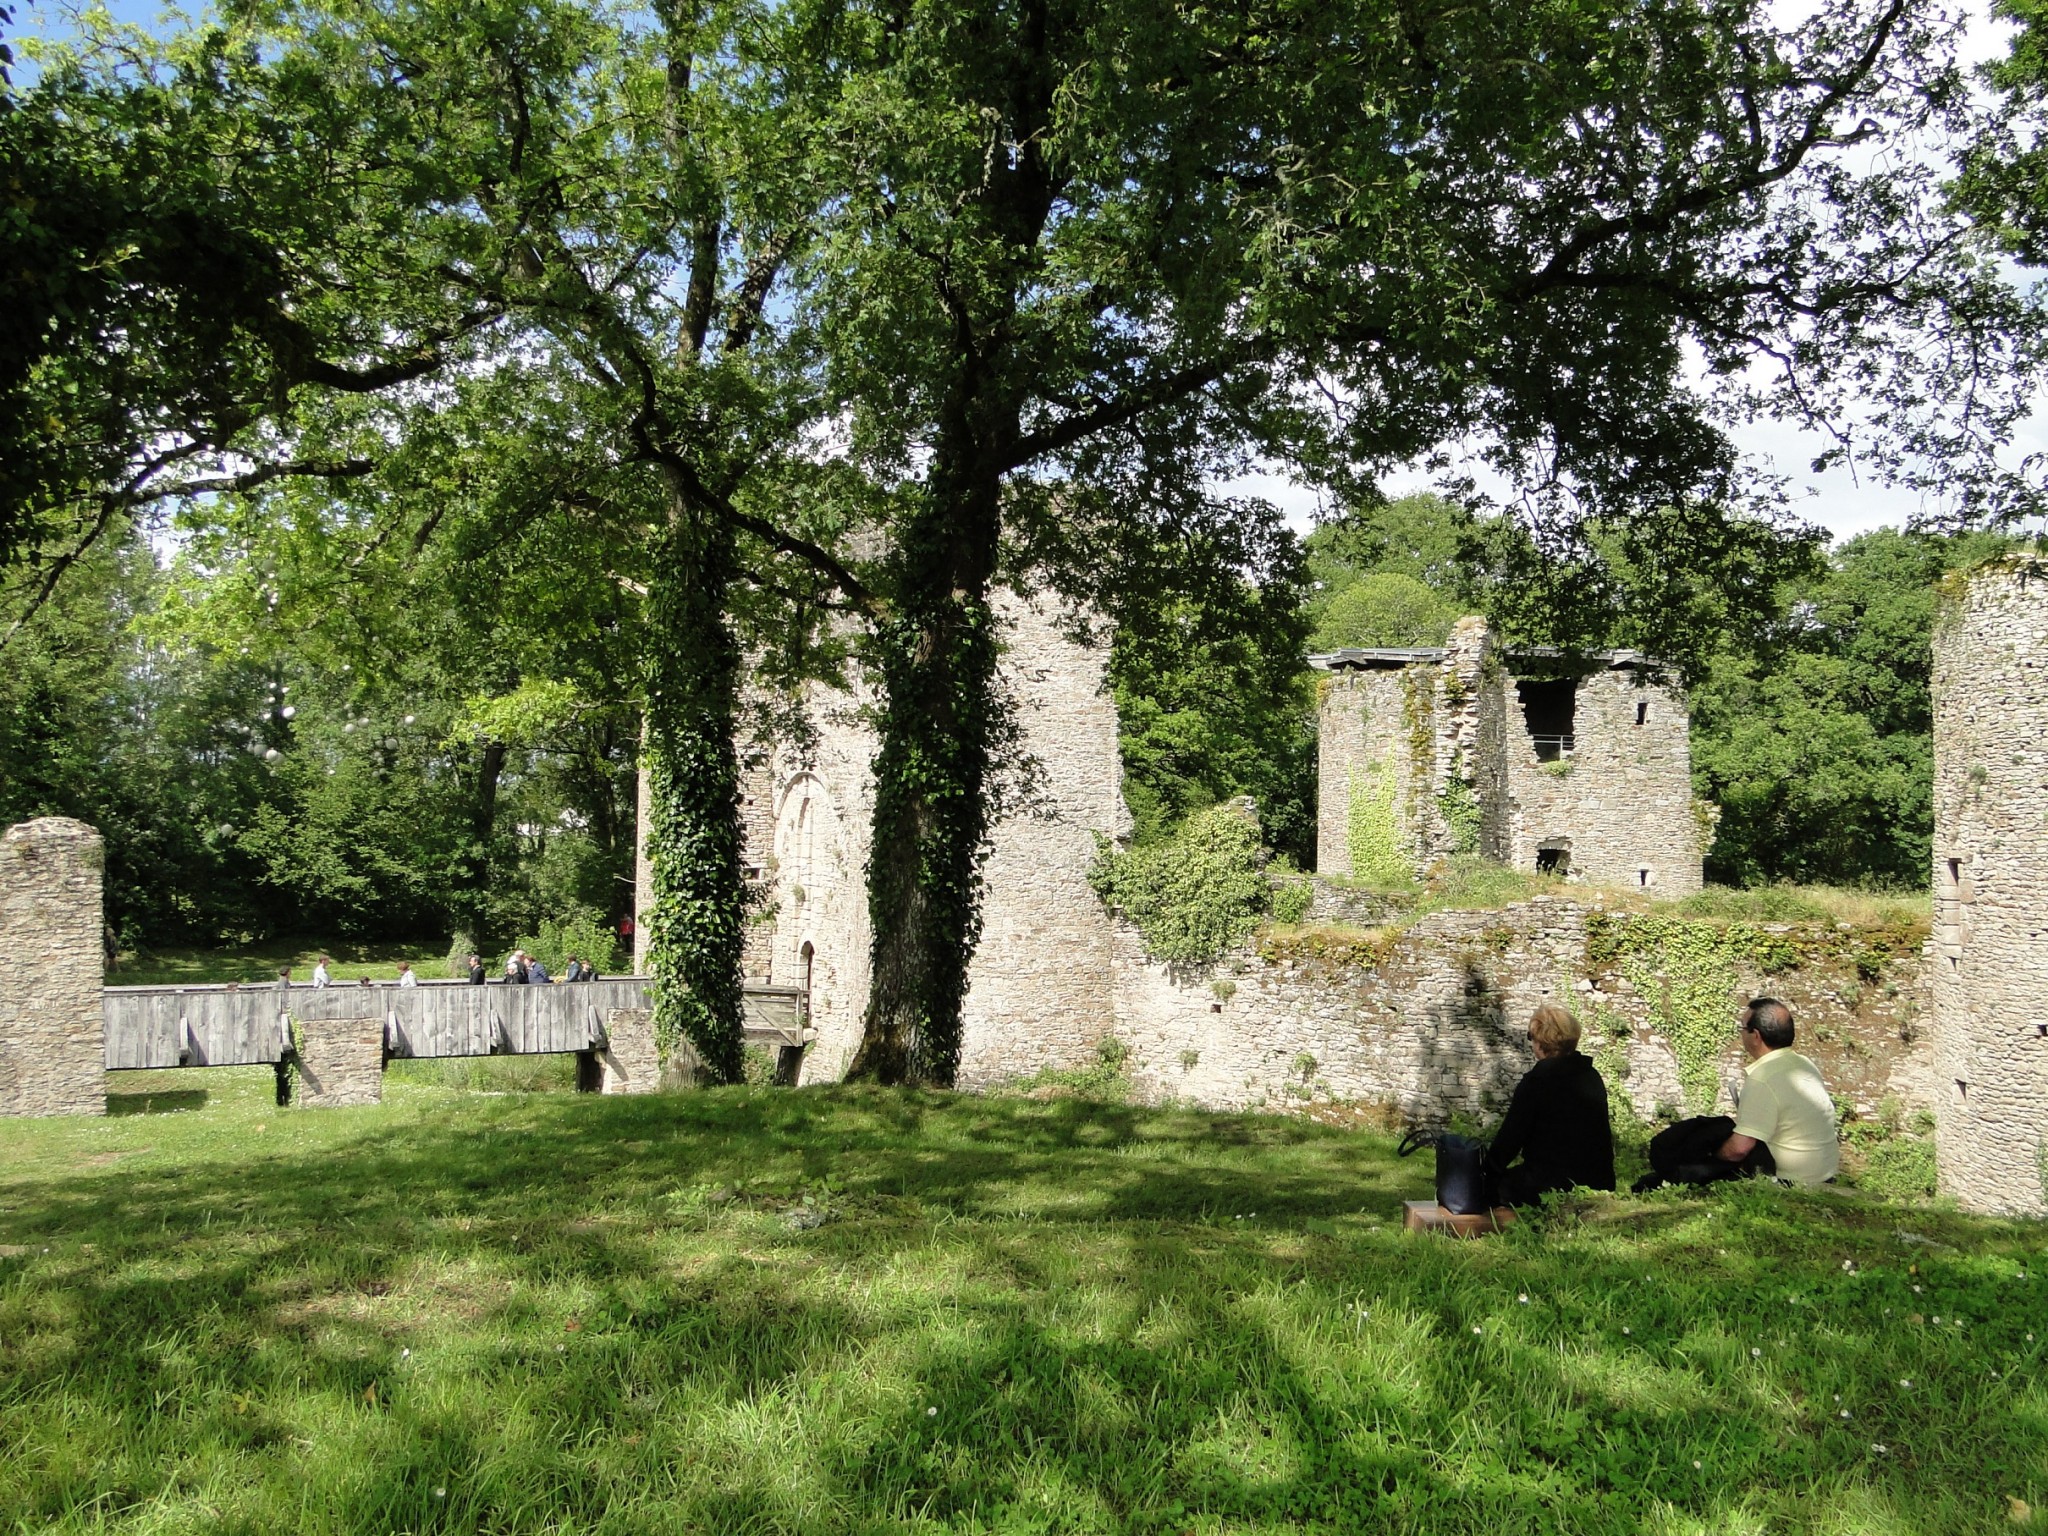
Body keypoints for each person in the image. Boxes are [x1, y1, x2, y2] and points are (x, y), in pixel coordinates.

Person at [1637, 998, 1840, 1190]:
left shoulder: (1763, 1077)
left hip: (1790, 1179)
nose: (1741, 1034)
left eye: (1742, 1028)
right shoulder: (1804, 1064)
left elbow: (1738, 1149)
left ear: (1756, 1036)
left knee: (1699, 1155)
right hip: (1823, 1173)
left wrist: (1711, 1157)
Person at [1483, 1005, 1616, 1207]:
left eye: (1531, 1037)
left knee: (1492, 1187)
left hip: (1550, 1183)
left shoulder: (1537, 1081)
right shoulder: (1591, 1076)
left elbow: (1511, 1137)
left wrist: (1487, 1172)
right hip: (1597, 1180)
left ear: (1541, 1041)